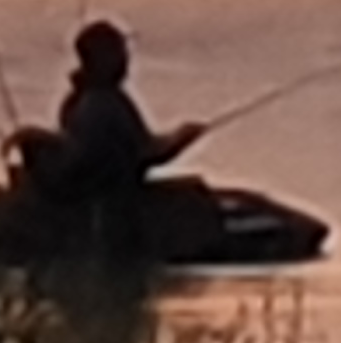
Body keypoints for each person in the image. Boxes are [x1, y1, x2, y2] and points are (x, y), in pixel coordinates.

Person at [16, 18, 206, 212]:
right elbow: (146, 153)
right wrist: (180, 139)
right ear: (101, 58)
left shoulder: (77, 99)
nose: (126, 59)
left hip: (95, 199)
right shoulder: (104, 104)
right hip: (111, 204)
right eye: (118, 51)